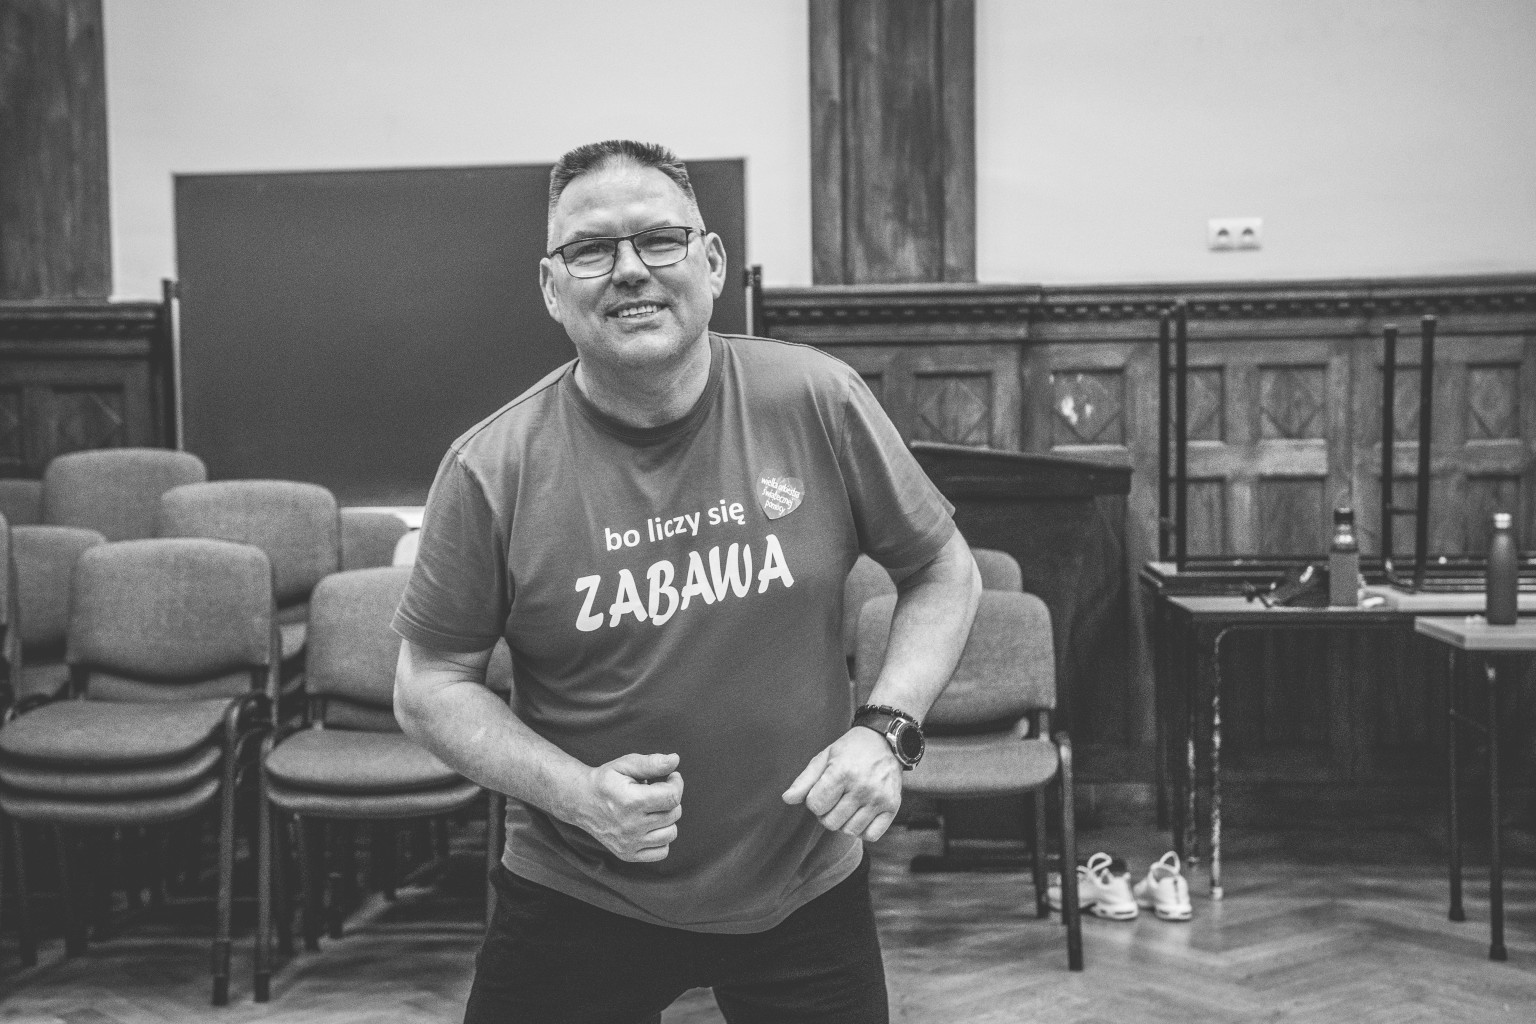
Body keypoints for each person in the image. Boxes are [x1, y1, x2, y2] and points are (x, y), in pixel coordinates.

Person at [393, 139, 981, 1024]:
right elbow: (428, 685)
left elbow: (941, 567)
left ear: (710, 263)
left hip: (803, 885)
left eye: (659, 240)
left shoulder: (815, 397)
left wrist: (886, 729)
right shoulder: (492, 468)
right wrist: (577, 797)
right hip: (579, 888)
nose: (630, 269)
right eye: (591, 250)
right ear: (551, 288)